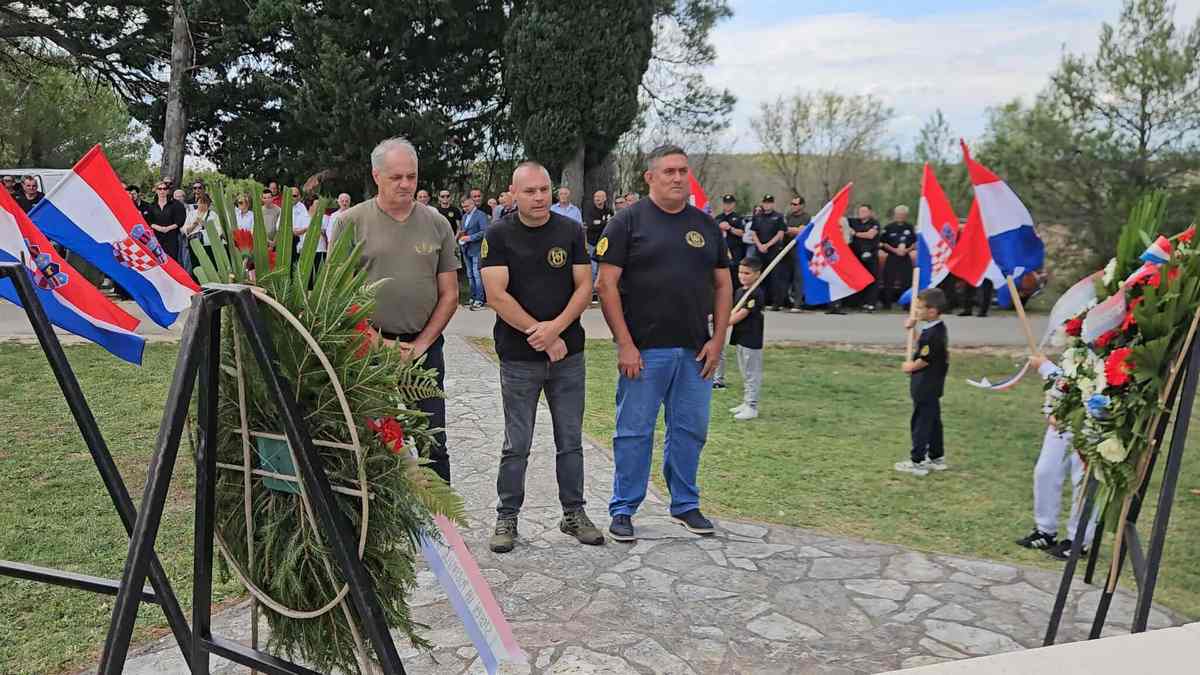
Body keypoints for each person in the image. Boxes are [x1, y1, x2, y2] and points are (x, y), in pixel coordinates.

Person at [595, 144, 731, 541]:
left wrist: (718, 340)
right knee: (634, 433)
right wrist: (624, 344)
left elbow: (723, 285)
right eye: (669, 171)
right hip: (643, 351)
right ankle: (624, 508)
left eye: (683, 171)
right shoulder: (627, 222)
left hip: (695, 352)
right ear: (650, 177)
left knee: (690, 430)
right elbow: (606, 285)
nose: (677, 178)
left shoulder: (705, 226)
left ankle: (685, 504)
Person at [481, 161, 602, 553]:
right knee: (516, 443)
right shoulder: (498, 234)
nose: (538, 197)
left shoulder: (571, 230)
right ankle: (507, 517)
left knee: (570, 440)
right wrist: (543, 335)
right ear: (513, 193)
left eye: (544, 190)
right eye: (530, 191)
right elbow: (496, 295)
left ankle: (574, 513)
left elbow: (584, 287)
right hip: (519, 358)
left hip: (569, 356)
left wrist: (556, 330)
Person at [332, 137, 460, 483]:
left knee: (433, 441)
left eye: (412, 176)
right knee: (376, 442)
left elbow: (450, 294)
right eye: (396, 177)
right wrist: (378, 343)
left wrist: (420, 346)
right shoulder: (350, 223)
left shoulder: (437, 224)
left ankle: (440, 515)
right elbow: (339, 295)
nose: (406, 184)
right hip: (368, 351)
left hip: (424, 351)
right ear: (377, 176)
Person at [1018, 354, 1099, 560]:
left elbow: (1090, 379)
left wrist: (1046, 367)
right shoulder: (1077, 344)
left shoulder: (1107, 344)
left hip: (1090, 421)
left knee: (1082, 481)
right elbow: (1068, 376)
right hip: (1062, 419)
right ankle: (1045, 531)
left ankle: (1079, 540)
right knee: (1045, 472)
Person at [895, 288, 950, 476]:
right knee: (933, 420)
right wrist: (913, 330)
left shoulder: (933, 334)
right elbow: (924, 346)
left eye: (919, 308)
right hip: (933, 384)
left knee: (921, 422)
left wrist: (910, 366)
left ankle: (917, 461)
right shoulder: (936, 329)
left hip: (925, 384)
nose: (916, 311)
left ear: (932, 311)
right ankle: (936, 456)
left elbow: (925, 358)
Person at [728, 257, 766, 421]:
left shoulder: (756, 293)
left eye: (747, 273)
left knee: (752, 373)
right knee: (744, 372)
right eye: (740, 272)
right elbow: (733, 310)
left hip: (752, 338)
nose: (742, 276)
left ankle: (752, 406)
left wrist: (724, 322)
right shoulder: (740, 291)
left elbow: (742, 314)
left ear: (757, 274)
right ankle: (746, 401)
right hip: (740, 337)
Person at [749, 194, 787, 310]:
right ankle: (761, 302)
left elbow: (780, 233)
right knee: (759, 276)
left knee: (775, 277)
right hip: (759, 251)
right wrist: (760, 245)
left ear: (773, 204)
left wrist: (767, 245)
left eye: (769, 202)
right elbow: (753, 233)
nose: (767, 205)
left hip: (773, 250)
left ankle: (776, 303)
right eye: (765, 202)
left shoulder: (778, 217)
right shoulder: (757, 217)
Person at [880, 205, 917, 310]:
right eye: (898, 214)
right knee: (888, 280)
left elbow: (915, 242)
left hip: (905, 256)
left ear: (906, 215)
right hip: (892, 256)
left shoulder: (910, 227)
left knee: (907, 280)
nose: (900, 216)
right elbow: (883, 243)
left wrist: (907, 250)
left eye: (903, 214)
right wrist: (894, 250)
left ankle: (907, 305)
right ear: (895, 215)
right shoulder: (889, 227)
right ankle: (887, 305)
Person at [847, 204, 881, 311]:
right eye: (860, 211)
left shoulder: (874, 223)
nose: (861, 213)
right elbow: (841, 221)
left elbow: (870, 235)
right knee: (858, 279)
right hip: (856, 256)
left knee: (872, 279)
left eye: (864, 211)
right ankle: (857, 303)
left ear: (870, 212)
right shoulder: (854, 222)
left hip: (870, 256)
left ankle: (870, 303)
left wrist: (855, 233)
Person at [458, 195, 488, 309]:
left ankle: (480, 299)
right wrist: (461, 237)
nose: (465, 209)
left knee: (477, 275)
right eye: (463, 207)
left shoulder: (481, 215)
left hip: (477, 249)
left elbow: (484, 231)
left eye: (466, 206)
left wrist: (470, 238)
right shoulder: (464, 216)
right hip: (466, 248)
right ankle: (473, 297)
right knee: (470, 275)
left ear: (472, 203)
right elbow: (463, 230)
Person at [145, 180, 187, 263]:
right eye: (160, 189)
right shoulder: (151, 206)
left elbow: (180, 220)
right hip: (156, 237)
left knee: (172, 260)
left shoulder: (176, 204)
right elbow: (148, 221)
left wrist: (167, 228)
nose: (162, 191)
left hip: (172, 237)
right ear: (156, 190)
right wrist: (159, 228)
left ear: (167, 191)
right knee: (158, 260)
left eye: (164, 189)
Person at [782, 196, 809, 311]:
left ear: (801, 205)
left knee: (798, 278)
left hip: (799, 250)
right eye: (792, 204)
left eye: (795, 204)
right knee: (785, 277)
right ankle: (785, 302)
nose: (793, 206)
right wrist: (792, 230)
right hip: (786, 249)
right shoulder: (788, 216)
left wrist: (789, 230)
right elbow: (784, 229)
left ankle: (797, 303)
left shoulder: (806, 217)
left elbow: (801, 231)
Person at [183, 193, 220, 275]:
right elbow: (185, 230)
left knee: (209, 263)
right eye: (200, 202)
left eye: (204, 203)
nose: (202, 205)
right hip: (194, 242)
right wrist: (194, 224)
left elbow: (218, 230)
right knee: (195, 264)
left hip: (208, 243)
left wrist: (205, 224)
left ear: (208, 204)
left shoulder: (213, 215)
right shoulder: (191, 213)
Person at [715, 194, 745, 289]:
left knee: (735, 274)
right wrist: (719, 228)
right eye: (726, 203)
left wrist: (729, 228)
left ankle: (736, 293)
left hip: (735, 250)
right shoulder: (718, 218)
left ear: (734, 204)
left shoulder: (738, 217)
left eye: (730, 203)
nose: (727, 205)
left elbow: (741, 233)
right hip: (722, 250)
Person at [582, 190, 612, 285]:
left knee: (604, 267)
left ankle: (601, 287)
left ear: (605, 198)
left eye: (599, 196)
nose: (597, 199)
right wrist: (604, 223)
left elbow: (611, 225)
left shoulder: (609, 210)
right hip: (593, 243)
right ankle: (592, 289)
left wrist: (598, 222)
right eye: (595, 197)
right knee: (593, 268)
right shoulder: (589, 210)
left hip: (605, 243)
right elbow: (590, 225)